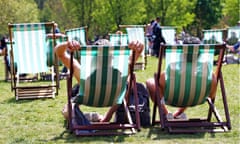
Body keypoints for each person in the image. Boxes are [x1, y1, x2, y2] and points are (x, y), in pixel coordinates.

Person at [55, 39, 144, 122]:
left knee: (67, 110)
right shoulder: (124, 70)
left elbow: (59, 53)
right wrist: (137, 43)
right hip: (113, 99)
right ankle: (96, 116)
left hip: (89, 100)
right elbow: (139, 49)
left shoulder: (82, 74)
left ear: (93, 58)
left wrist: (67, 44)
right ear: (112, 57)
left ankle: (92, 116)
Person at [146, 57, 218, 119]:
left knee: (150, 82)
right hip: (197, 99)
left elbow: (161, 86)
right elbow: (211, 96)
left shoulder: (172, 68)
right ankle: (178, 113)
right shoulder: (207, 73)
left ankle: (166, 113)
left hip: (172, 98)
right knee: (189, 88)